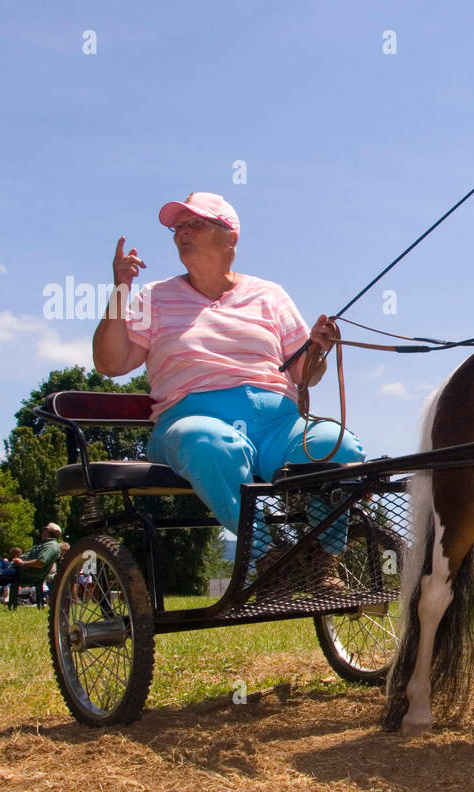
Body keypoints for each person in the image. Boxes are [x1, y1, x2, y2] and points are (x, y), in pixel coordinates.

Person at [91, 192, 362, 590]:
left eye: (194, 224)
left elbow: (305, 374)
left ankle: (322, 561)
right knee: (210, 441)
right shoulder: (154, 296)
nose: (182, 233)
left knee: (341, 448)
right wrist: (120, 288)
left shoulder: (269, 295)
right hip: (191, 420)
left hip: (277, 425)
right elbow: (110, 363)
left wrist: (318, 348)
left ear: (229, 238)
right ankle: (272, 557)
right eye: (177, 227)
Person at [0, 523, 64, 612]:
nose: (42, 531)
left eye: (44, 529)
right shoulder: (44, 544)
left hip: (25, 571)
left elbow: (41, 563)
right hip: (17, 566)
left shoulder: (51, 546)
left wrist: (23, 563)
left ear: (48, 532)